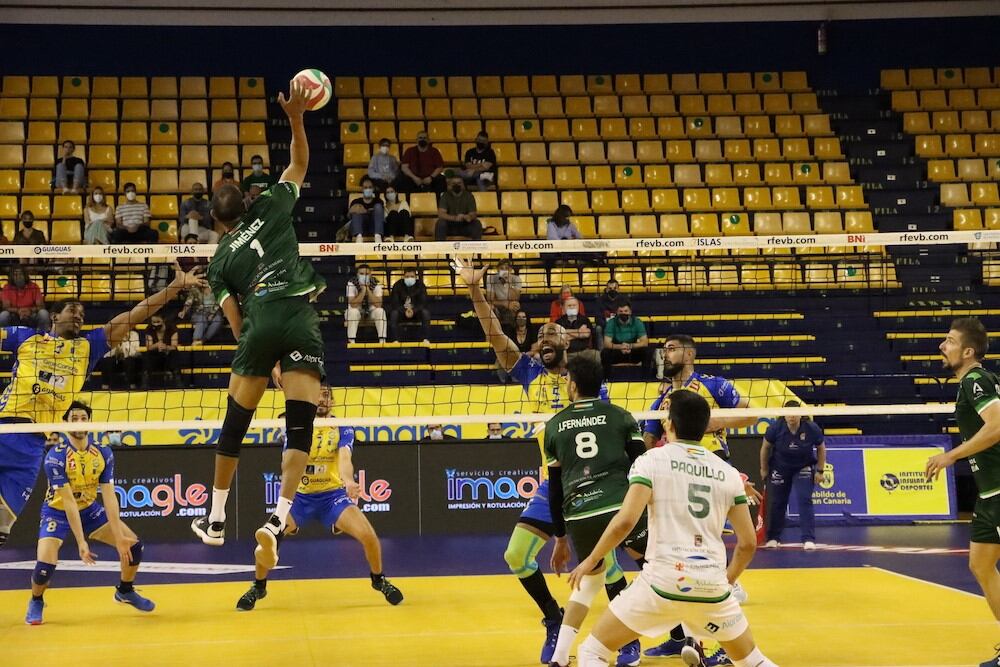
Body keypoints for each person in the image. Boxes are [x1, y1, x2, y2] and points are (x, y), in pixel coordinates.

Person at [451, 257, 637, 667]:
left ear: (567, 340)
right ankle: (553, 618)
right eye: (540, 334)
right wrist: (474, 290)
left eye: (552, 332)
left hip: (590, 482)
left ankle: (626, 637)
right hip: (553, 483)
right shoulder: (529, 372)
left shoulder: (586, 379)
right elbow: (494, 334)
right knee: (516, 556)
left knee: (604, 564)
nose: (544, 336)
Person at [191, 82, 329, 569]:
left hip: (261, 319)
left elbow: (235, 324)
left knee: (235, 425)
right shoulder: (271, 203)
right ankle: (278, 518)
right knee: (300, 427)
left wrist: (259, 352)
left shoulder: (219, 261)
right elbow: (300, 163)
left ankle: (215, 520)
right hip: (300, 315)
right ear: (246, 203)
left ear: (216, 218)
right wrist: (296, 118)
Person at [568, 390, 777, 667]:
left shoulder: (651, 460)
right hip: (711, 588)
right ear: (705, 426)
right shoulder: (728, 473)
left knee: (592, 652)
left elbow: (626, 521)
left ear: (670, 424)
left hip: (661, 585)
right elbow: (748, 543)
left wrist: (591, 560)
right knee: (754, 661)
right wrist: (726, 583)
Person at [0, 266, 204, 547]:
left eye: (82, 314)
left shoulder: (89, 347)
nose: (79, 316)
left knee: (2, 527)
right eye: (73, 310)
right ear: (55, 316)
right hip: (6, 427)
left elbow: (134, 315)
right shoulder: (27, 338)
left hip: (33, 444)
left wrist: (174, 288)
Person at [642, 333, 759, 664]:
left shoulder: (713, 385)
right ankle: (681, 638)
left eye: (672, 348)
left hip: (711, 473)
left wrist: (707, 422)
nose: (665, 354)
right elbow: (648, 439)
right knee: (680, 558)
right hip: (676, 478)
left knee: (705, 556)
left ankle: (724, 638)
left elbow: (753, 413)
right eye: (664, 350)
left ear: (690, 354)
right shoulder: (662, 400)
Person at [236, 385, 403, 611]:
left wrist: (348, 481)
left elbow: (345, 458)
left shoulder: (342, 427)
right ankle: (259, 586)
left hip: (332, 496)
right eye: (318, 395)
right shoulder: (297, 427)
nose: (322, 399)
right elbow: (288, 462)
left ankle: (378, 579)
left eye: (326, 395)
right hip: (298, 498)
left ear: (332, 401)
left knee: (369, 536)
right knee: (268, 538)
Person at [545, 353, 648, 667]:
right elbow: (643, 464)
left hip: (580, 513)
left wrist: (560, 537)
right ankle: (687, 639)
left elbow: (555, 488)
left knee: (589, 582)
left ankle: (560, 656)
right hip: (622, 506)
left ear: (573, 385)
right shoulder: (620, 416)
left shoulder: (554, 425)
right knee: (659, 571)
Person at [25, 401, 154, 624]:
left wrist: (119, 536)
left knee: (133, 546)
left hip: (89, 509)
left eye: (83, 418)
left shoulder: (103, 452)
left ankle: (125, 590)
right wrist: (81, 542)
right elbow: (68, 503)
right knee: (45, 566)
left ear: (90, 421)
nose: (79, 422)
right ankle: (36, 599)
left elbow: (110, 497)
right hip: (57, 512)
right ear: (65, 423)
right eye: (74, 418)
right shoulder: (55, 456)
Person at [926, 317, 1000, 667]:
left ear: (968, 352)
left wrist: (950, 456)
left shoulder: (975, 379)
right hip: (988, 494)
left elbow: (997, 425)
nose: (943, 346)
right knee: (981, 565)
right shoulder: (971, 383)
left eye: (950, 341)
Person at [761, 400, 826, 549]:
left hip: (803, 466)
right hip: (780, 467)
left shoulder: (811, 428)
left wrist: (820, 470)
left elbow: (821, 448)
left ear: (800, 415)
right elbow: (765, 448)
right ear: (784, 415)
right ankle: (773, 537)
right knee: (778, 502)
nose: (791, 416)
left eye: (795, 414)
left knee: (805, 499)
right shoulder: (775, 428)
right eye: (788, 413)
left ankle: (808, 539)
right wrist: (763, 469)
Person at [600, 300, 652, 380]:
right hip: (617, 351)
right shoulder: (611, 322)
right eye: (620, 311)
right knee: (605, 353)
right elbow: (607, 344)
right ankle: (607, 380)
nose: (623, 313)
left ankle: (645, 380)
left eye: (626, 311)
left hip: (632, 350)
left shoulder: (637, 322)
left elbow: (645, 342)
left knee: (647, 351)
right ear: (617, 312)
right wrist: (621, 347)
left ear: (630, 312)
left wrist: (630, 346)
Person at [346, 263, 387, 344]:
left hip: (371, 312)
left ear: (370, 274)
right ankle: (351, 341)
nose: (364, 276)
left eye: (367, 274)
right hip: (357, 312)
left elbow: (378, 304)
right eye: (361, 274)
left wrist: (368, 289)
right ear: (357, 274)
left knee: (381, 311)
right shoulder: (351, 283)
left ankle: (382, 340)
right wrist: (363, 291)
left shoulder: (376, 283)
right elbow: (353, 304)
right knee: (353, 312)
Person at [388, 268, 429, 344]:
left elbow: (423, 302)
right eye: (407, 276)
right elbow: (395, 302)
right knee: (394, 314)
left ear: (416, 277)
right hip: (402, 312)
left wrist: (413, 310)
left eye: (412, 276)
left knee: (425, 313)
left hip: (416, 313)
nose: (409, 278)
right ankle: (395, 340)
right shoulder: (397, 285)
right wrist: (404, 311)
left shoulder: (420, 285)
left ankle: (425, 339)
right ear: (403, 277)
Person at [435, 175, 481, 241]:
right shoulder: (445, 196)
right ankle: (439, 246)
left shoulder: (469, 196)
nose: (457, 185)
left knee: (476, 223)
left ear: (463, 185)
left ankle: (477, 246)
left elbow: (473, 214)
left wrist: (468, 217)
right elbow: (441, 214)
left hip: (464, 225)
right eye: (454, 183)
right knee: (440, 223)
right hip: (450, 226)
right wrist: (455, 218)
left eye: (459, 183)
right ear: (449, 185)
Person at [141, 315, 181, 388]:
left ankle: (178, 383)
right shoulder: (149, 328)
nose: (156, 324)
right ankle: (145, 384)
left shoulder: (172, 328)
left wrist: (166, 347)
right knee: (147, 355)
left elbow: (174, 346)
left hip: (168, 354)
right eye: (153, 322)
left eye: (158, 322)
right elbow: (149, 347)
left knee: (175, 353)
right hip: (155, 355)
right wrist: (157, 345)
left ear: (163, 320)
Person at [486, 259, 522, 327]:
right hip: (497, 306)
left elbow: (515, 298)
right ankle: (494, 329)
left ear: (510, 270)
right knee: (490, 306)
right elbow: (490, 300)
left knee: (515, 305)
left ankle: (510, 329)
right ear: (497, 269)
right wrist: (505, 303)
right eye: (502, 268)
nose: (504, 270)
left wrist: (509, 283)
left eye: (507, 268)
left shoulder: (516, 279)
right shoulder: (491, 278)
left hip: (510, 306)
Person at [349, 177, 385, 243]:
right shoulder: (356, 201)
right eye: (365, 187)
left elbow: (380, 214)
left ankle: (378, 236)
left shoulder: (378, 201)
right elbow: (350, 211)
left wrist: (364, 210)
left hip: (374, 228)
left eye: (370, 187)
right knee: (356, 210)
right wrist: (368, 211)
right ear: (362, 189)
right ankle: (359, 238)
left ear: (373, 188)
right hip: (361, 227)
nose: (368, 189)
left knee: (378, 207)